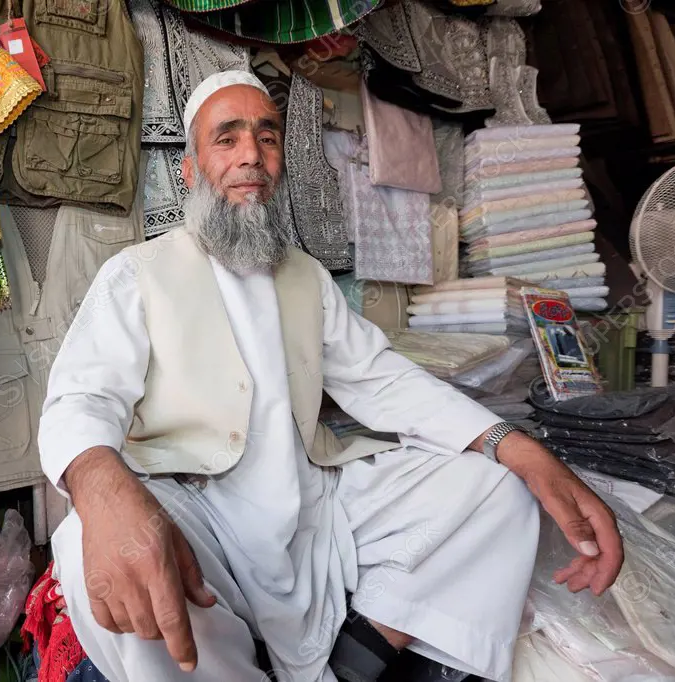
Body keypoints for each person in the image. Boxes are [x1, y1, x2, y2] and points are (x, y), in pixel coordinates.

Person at [37, 71, 623, 682]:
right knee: (91, 549)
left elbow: (380, 379)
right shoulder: (138, 273)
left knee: (495, 489)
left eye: (266, 138)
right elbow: (82, 397)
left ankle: (358, 660)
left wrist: (517, 446)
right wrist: (105, 493)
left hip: (311, 498)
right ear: (189, 169)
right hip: (199, 508)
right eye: (227, 138)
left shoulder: (304, 276)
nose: (250, 156)